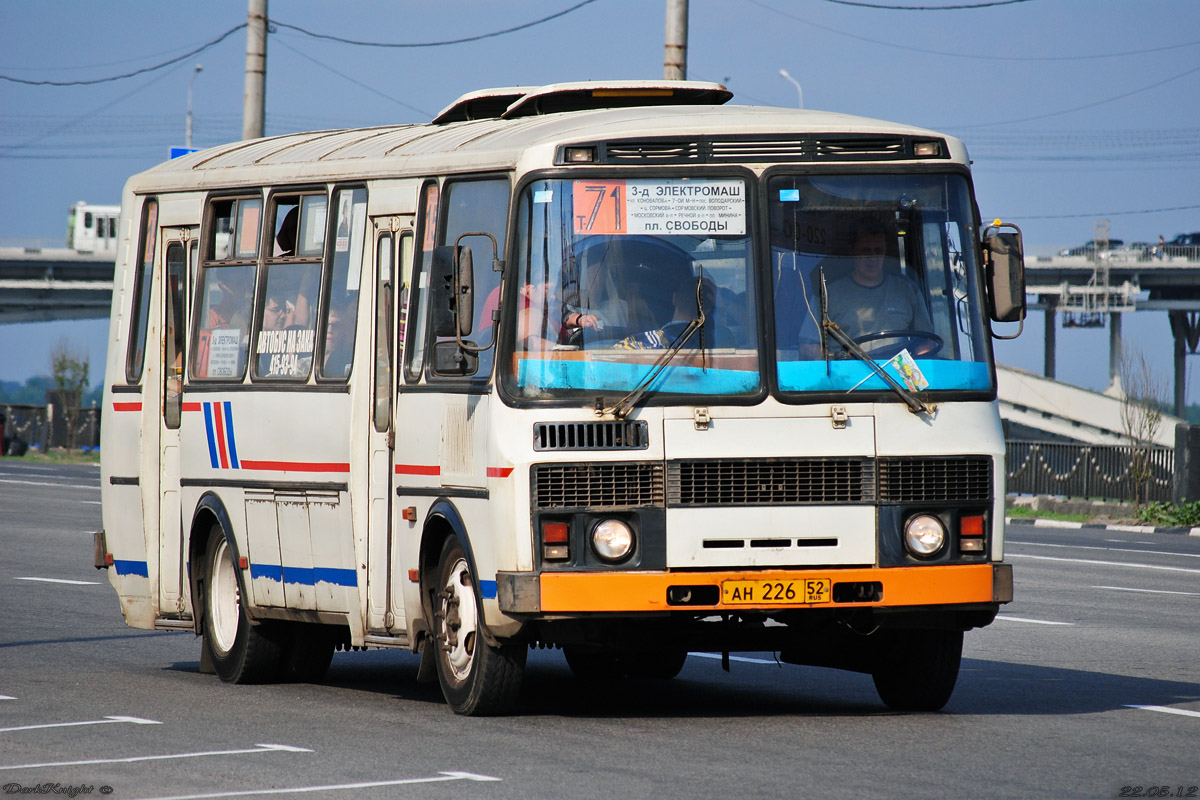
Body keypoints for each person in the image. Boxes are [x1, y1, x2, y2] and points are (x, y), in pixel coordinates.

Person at [800, 222, 933, 357]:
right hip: (848, 375)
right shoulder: (827, 295)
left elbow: (926, 342)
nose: (873, 258)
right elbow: (808, 347)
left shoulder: (906, 290)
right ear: (852, 252)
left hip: (896, 375)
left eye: (878, 250)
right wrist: (833, 360)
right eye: (866, 251)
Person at [613, 275, 725, 350]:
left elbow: (615, 355)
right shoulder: (720, 341)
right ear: (707, 310)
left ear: (674, 298)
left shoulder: (652, 340)